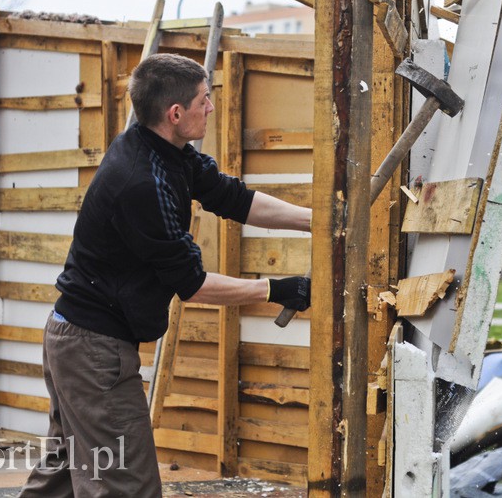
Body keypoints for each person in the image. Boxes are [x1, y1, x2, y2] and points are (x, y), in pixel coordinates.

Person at [19, 53, 311, 497]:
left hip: (76, 339)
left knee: (61, 481)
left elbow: (234, 198)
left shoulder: (164, 151)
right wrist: (274, 287)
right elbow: (190, 285)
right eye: (204, 101)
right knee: (126, 486)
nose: (211, 108)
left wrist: (316, 220)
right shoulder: (141, 183)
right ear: (176, 114)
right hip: (93, 352)